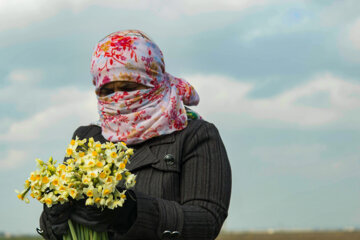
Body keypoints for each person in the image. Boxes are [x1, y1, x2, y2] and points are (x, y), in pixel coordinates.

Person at [38, 30, 232, 240]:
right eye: (106, 91)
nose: (118, 98)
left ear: (154, 82)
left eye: (128, 87)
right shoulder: (87, 139)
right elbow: (58, 228)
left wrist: (131, 212)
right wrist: (52, 219)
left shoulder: (195, 135)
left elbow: (206, 221)